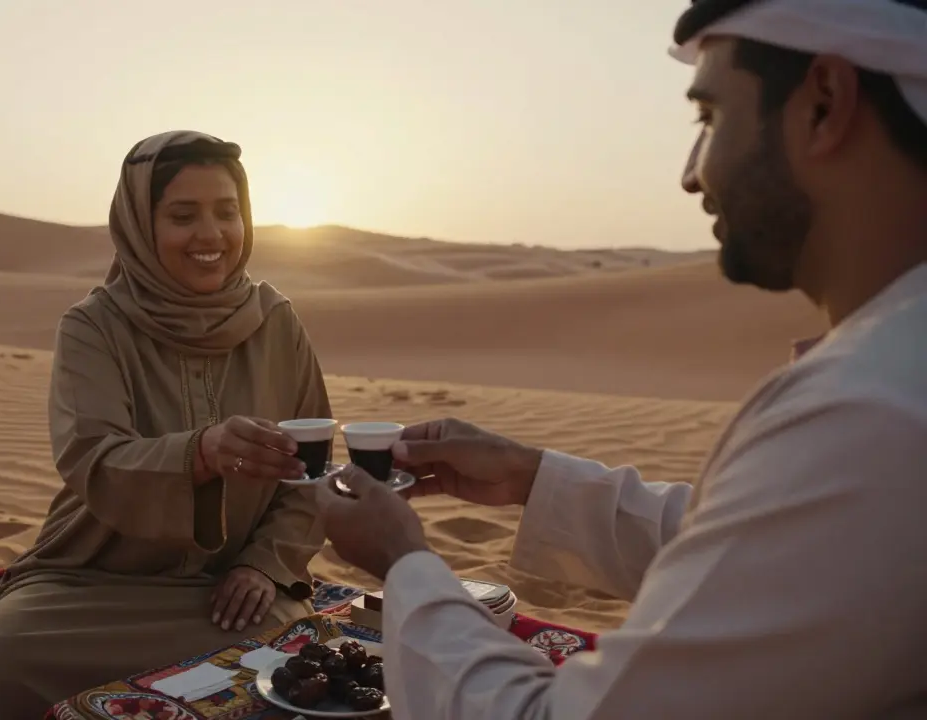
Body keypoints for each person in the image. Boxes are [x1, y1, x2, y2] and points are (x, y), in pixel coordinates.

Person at [315, 0, 927, 717]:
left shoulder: (870, 411)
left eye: (709, 119)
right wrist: (532, 477)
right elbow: (766, 553)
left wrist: (406, 567)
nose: (692, 176)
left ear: (823, 104)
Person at [0, 130, 332, 719]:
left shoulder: (277, 322)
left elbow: (314, 470)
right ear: (139, 226)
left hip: (223, 589)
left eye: (227, 212)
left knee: (287, 647)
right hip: (92, 583)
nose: (211, 235)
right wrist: (200, 452)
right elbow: (92, 457)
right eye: (183, 215)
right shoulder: (93, 327)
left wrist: (266, 564)